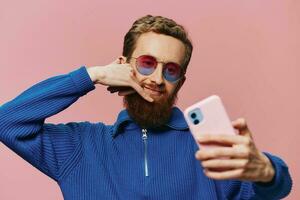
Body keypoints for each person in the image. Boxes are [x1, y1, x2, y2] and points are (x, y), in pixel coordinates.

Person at [0, 15, 292, 200]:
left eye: (171, 70)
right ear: (124, 66)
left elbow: (278, 187)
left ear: (181, 81)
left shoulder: (210, 149)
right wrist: (91, 75)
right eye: (147, 63)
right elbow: (7, 122)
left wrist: (268, 170)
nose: (156, 79)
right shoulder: (82, 146)